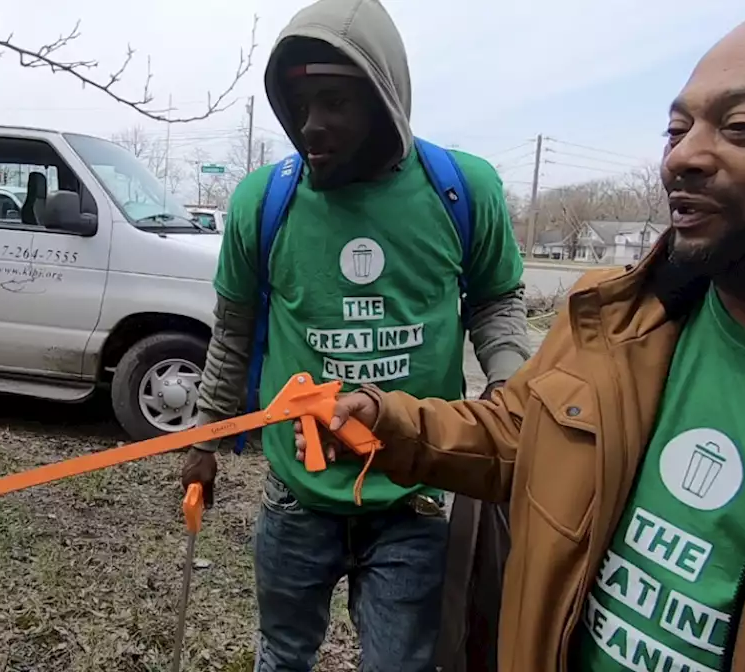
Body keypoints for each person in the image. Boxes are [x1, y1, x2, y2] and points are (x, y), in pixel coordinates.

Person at [299, 2, 745, 670]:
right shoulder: (617, 323)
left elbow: (494, 303)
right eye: (676, 129)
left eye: (744, 126)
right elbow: (522, 440)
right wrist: (385, 420)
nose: (683, 157)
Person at [180, 0, 531, 669]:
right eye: (300, 103)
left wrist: (511, 382)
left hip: (412, 497)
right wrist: (205, 441)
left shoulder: (463, 190)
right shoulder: (263, 201)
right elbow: (233, 331)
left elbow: (496, 303)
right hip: (296, 498)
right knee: (282, 657)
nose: (310, 125)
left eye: (335, 102)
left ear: (385, 102)